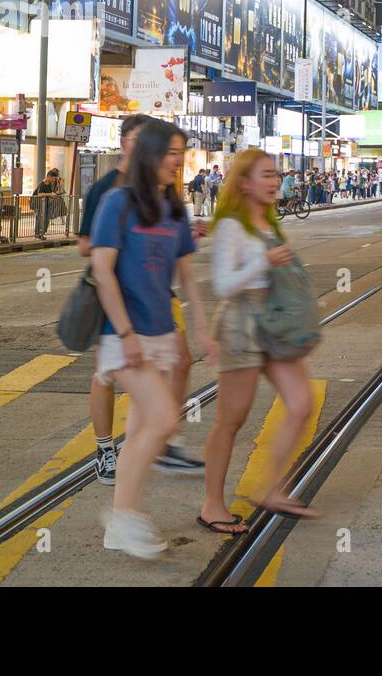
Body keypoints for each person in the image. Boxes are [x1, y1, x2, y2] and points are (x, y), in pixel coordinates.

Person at [89, 119, 217, 558]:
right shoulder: (117, 203)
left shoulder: (175, 209)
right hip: (125, 336)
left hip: (160, 336)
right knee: (163, 422)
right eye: (170, 153)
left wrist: (201, 328)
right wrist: (125, 333)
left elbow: (187, 280)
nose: (178, 161)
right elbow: (103, 271)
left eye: (182, 153)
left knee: (143, 427)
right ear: (150, 156)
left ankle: (120, 523)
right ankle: (124, 518)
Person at [200, 148, 318, 534]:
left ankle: (271, 488)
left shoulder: (267, 221)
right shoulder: (233, 226)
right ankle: (212, 506)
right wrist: (265, 262)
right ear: (245, 182)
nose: (274, 181)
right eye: (265, 175)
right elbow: (223, 285)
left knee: (301, 404)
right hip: (242, 323)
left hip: (274, 323)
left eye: (275, 174)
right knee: (230, 421)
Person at [32, 169, 61, 238]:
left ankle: (42, 234)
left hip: (46, 205)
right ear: (48, 176)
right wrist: (50, 194)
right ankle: (38, 234)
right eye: (53, 178)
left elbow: (50, 193)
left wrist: (54, 195)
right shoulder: (42, 184)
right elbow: (39, 194)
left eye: (54, 179)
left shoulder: (50, 185)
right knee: (40, 219)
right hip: (39, 205)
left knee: (46, 220)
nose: (53, 180)